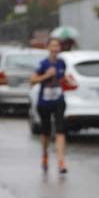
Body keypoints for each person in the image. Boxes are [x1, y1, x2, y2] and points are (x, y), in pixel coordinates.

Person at [28, 38, 76, 174]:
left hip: (58, 100)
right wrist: (46, 75)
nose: (55, 49)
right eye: (52, 46)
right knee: (46, 132)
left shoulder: (62, 63)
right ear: (48, 48)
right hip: (44, 102)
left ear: (60, 48)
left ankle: (61, 162)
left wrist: (68, 80)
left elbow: (62, 78)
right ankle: (45, 154)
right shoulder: (42, 64)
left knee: (60, 130)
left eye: (57, 46)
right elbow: (32, 80)